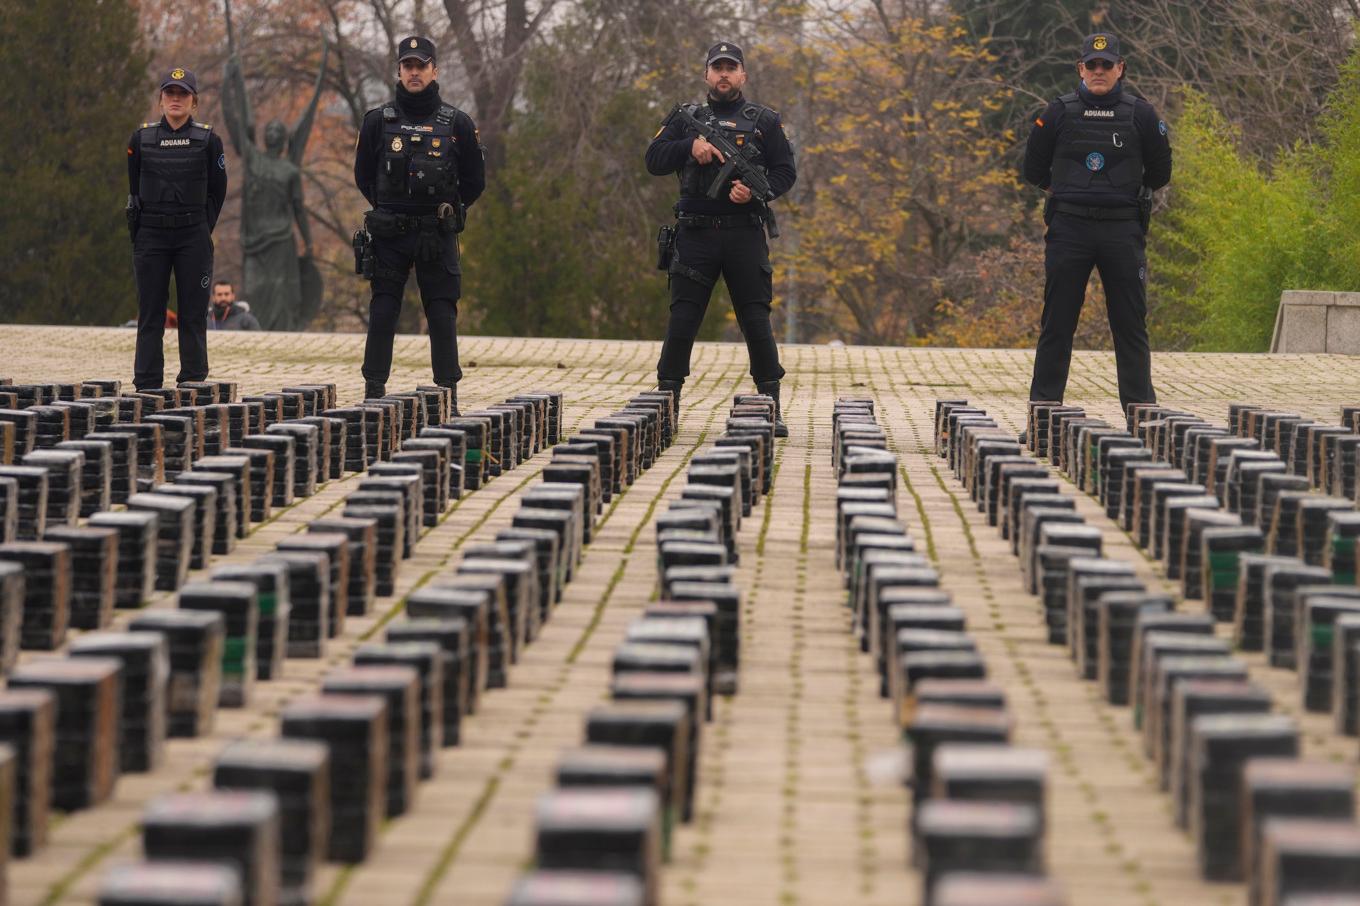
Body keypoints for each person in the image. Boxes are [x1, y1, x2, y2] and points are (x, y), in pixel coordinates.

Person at [645, 41, 797, 436]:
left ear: (743, 75)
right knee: (683, 318)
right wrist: (689, 148)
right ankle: (666, 403)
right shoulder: (686, 119)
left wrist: (756, 192)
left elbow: (784, 172)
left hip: (744, 235)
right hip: (695, 235)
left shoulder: (765, 120)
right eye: (718, 68)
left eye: (731, 68)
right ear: (707, 75)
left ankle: (770, 404)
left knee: (755, 319)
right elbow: (653, 158)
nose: (724, 75)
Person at [1022, 32, 1172, 428]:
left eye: (1108, 65)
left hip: (1122, 232)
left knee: (1129, 325)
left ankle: (1142, 420)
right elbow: (1032, 169)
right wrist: (1066, 192)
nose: (1099, 71)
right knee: (1057, 323)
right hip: (1069, 228)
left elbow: (1160, 172)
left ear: (1121, 69)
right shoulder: (1057, 112)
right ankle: (1042, 417)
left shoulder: (1141, 114)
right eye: (1092, 65)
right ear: (1081, 69)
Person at [353, 35, 485, 410]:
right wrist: (387, 211)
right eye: (408, 66)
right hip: (390, 233)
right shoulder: (378, 121)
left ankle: (448, 395)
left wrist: (449, 213)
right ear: (398, 70)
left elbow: (475, 180)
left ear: (434, 70)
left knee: (442, 314)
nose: (414, 72)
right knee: (382, 311)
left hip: (435, 233)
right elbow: (363, 175)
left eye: (421, 66)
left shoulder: (457, 122)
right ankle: (373, 392)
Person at [127, 67, 227, 391]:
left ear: (193, 101)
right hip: (152, 236)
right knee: (151, 313)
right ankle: (147, 383)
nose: (175, 99)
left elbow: (218, 190)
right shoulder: (140, 140)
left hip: (192, 237)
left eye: (182, 94)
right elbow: (134, 189)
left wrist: (200, 227)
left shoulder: (209, 140)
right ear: (160, 100)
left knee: (192, 314)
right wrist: (143, 232)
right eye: (169, 93)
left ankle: (193, 381)